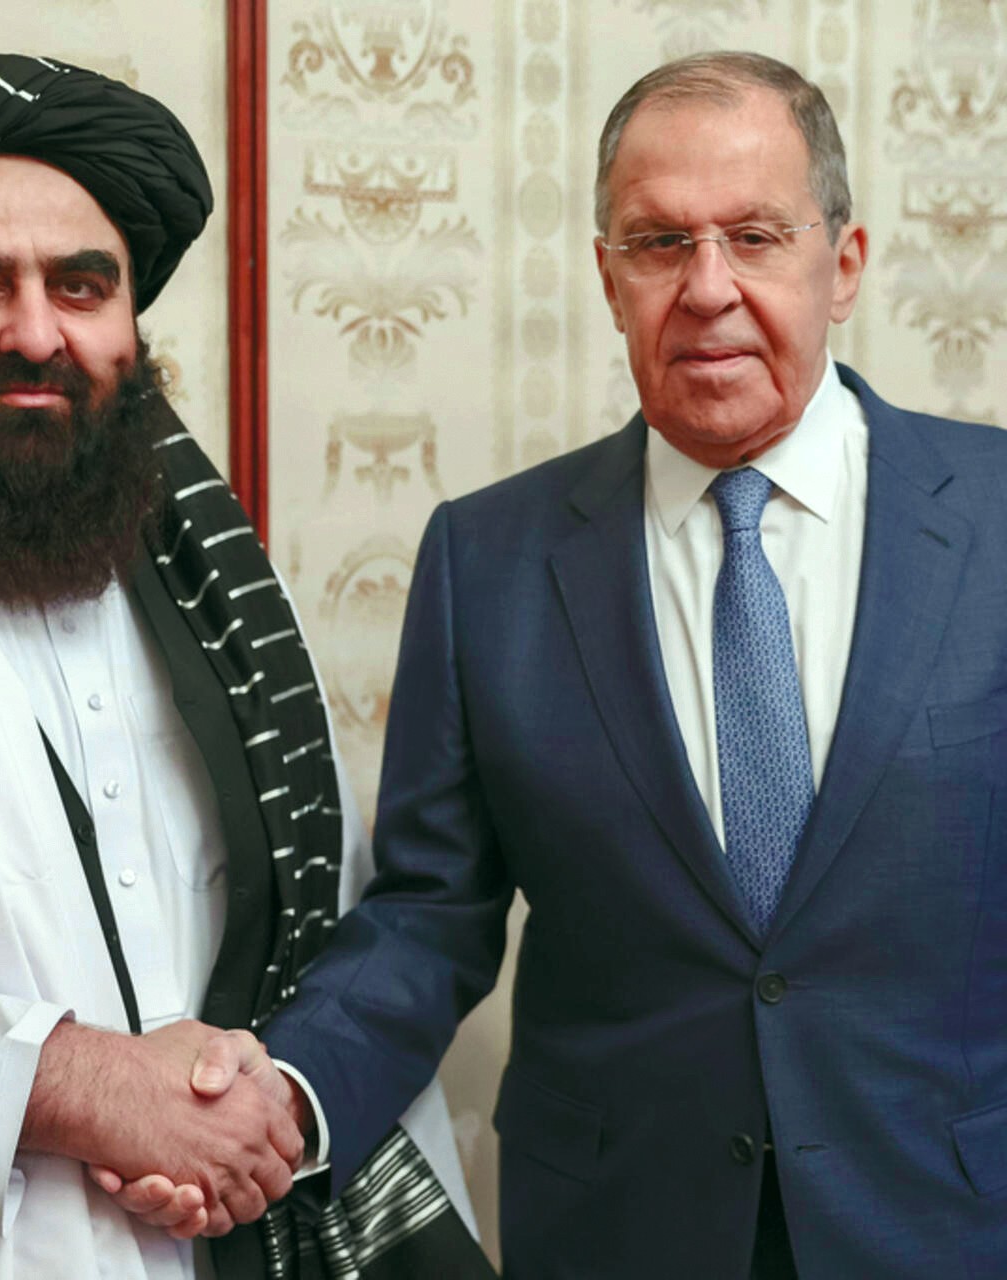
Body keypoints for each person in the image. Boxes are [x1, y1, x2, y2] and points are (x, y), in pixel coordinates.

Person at [107, 49, 1007, 1279]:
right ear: (606, 276)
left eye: (753, 237)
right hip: (616, 1230)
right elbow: (429, 913)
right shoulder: (488, 558)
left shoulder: (992, 516)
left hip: (947, 1219)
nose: (706, 288)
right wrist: (286, 1093)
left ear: (841, 264)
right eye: (658, 243)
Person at [0, 52, 484, 1280]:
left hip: (249, 1234)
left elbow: (329, 920)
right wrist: (78, 1083)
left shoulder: (208, 580)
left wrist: (258, 1107)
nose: (37, 333)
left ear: (130, 326)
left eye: (81, 286)